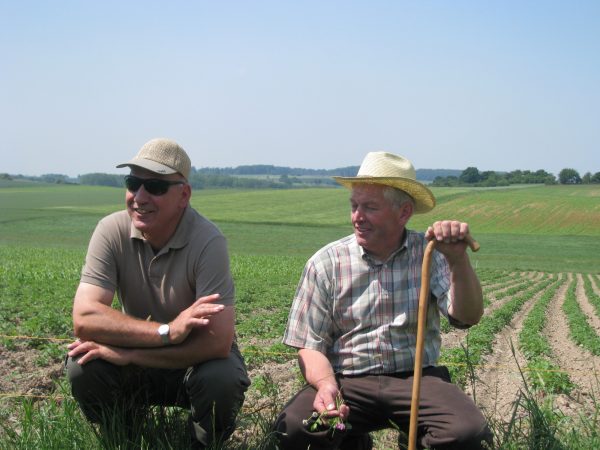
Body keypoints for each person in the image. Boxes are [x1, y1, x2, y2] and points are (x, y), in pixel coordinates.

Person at [274, 152, 492, 449]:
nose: (357, 216)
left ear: (403, 213)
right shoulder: (326, 263)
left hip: (417, 380)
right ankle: (354, 440)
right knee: (296, 431)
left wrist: (458, 261)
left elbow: (467, 316)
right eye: (354, 206)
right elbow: (309, 345)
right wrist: (327, 386)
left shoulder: (430, 254)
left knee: (467, 433)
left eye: (370, 207)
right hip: (346, 380)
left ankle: (412, 439)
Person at [66, 138, 250, 448]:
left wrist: (130, 354)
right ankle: (124, 437)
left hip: (191, 362)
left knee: (222, 377)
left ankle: (203, 444)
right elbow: (85, 317)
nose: (139, 196)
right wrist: (167, 331)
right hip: (145, 352)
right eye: (133, 182)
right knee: (83, 364)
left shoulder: (208, 242)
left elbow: (218, 342)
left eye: (155, 186)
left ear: (184, 195)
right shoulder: (110, 230)